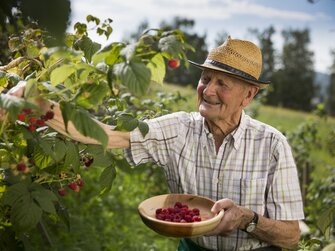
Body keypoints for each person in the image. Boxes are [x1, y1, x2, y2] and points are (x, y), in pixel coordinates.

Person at [2, 36, 304, 250]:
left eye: (222, 83)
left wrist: (247, 220)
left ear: (248, 95)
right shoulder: (179, 128)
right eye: (205, 79)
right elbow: (109, 135)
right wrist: (46, 107)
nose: (207, 90)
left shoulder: (272, 145)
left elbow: (291, 236)